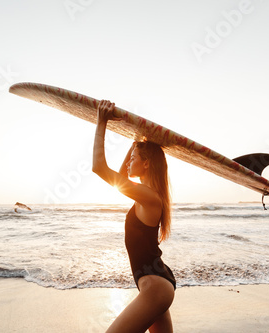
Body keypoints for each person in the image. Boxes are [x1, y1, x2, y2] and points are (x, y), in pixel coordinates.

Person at [92, 100, 176, 333]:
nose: (129, 162)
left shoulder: (150, 198)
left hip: (155, 288)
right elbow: (119, 181)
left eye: (133, 158)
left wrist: (101, 122)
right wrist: (135, 142)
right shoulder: (148, 196)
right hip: (157, 286)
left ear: (146, 163)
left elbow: (99, 168)